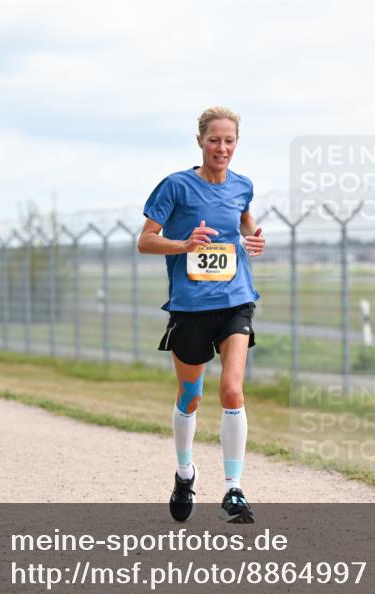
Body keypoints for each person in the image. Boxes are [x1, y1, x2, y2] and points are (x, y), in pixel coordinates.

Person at [137, 106, 265, 524]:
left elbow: (244, 223)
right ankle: (184, 473)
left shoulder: (242, 186)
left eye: (229, 141)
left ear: (236, 143)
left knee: (232, 390)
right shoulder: (176, 186)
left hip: (235, 300)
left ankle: (233, 489)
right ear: (200, 142)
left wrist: (252, 239)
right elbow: (145, 241)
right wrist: (184, 245)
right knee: (190, 397)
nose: (221, 148)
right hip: (190, 307)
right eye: (214, 140)